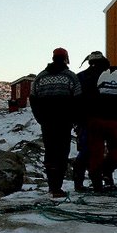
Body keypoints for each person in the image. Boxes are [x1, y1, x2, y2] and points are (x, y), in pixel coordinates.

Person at [29, 47, 82, 198]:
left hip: (47, 123)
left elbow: (33, 99)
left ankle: (52, 186)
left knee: (50, 153)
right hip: (64, 123)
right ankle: (57, 187)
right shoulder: (71, 77)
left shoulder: (40, 77)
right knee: (62, 153)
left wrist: (40, 118)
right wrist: (74, 119)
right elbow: (78, 100)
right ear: (66, 59)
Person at [77, 51, 117, 191]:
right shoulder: (113, 75)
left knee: (95, 151)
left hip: (93, 120)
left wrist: (79, 119)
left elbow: (78, 98)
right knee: (115, 149)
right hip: (113, 119)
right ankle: (108, 173)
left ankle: (96, 181)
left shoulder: (83, 77)